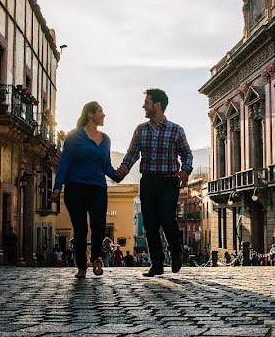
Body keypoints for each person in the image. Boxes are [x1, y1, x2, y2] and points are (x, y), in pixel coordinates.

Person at [116, 89, 193, 277]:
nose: (144, 105)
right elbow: (132, 154)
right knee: (150, 224)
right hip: (148, 182)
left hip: (169, 182)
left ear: (157, 105)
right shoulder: (140, 130)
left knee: (167, 219)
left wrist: (185, 170)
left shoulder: (176, 130)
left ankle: (176, 252)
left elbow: (187, 154)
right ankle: (157, 264)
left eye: (147, 102)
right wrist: (122, 171)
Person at [50, 101, 120, 278]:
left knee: (99, 227)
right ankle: (81, 265)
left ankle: (96, 258)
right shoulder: (74, 137)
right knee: (80, 228)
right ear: (90, 114)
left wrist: (119, 175)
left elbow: (106, 166)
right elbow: (65, 162)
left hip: (98, 189)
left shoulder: (106, 139)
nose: (103, 115)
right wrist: (57, 188)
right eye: (100, 111)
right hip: (76, 188)